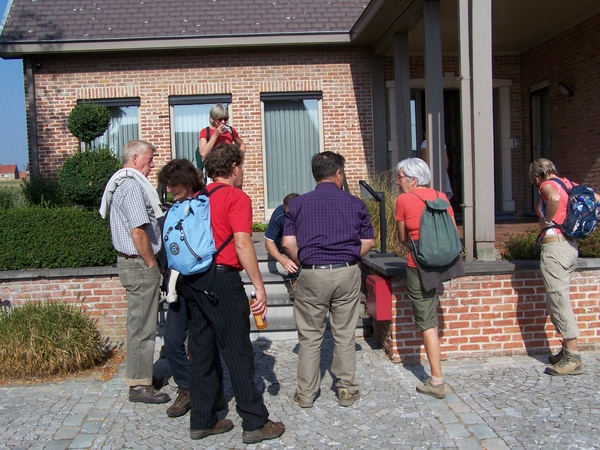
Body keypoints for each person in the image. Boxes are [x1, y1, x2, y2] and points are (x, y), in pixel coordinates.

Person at [178, 143, 285, 443]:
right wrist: (259, 285)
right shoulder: (236, 197)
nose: (243, 172)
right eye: (242, 167)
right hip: (223, 281)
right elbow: (242, 243)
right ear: (234, 166)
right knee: (237, 352)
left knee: (201, 352)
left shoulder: (198, 197)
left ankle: (203, 419)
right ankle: (254, 422)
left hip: (194, 281)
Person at [282, 151, 375, 408]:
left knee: (310, 336)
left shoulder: (299, 204)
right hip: (346, 272)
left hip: (313, 273)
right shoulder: (355, 204)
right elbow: (368, 242)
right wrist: (351, 257)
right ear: (338, 174)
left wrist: (304, 261)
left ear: (315, 175)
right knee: (344, 334)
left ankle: (306, 395)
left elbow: (288, 242)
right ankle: (346, 389)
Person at [99, 140, 170, 404]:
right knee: (142, 327)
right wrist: (152, 263)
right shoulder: (130, 186)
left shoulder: (128, 183)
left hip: (137, 263)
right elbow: (138, 231)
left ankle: (144, 375)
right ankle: (139, 385)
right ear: (136, 158)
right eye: (150, 160)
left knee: (143, 324)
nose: (152, 165)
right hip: (140, 264)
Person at [156, 159, 227, 418]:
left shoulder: (206, 204)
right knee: (173, 339)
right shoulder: (172, 210)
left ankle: (215, 392)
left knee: (205, 342)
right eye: (168, 186)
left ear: (188, 182)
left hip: (204, 280)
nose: (171, 190)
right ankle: (187, 388)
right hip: (177, 282)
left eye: (175, 185)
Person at [394, 157, 459, 399]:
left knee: (427, 322)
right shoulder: (441, 197)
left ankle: (436, 380)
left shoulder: (404, 200)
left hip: (418, 265)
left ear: (413, 179)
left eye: (400, 177)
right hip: (443, 264)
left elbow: (402, 238)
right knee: (431, 315)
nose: (398, 182)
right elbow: (452, 229)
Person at [530, 158, 600, 376]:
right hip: (570, 246)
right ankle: (565, 349)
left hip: (556, 247)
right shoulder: (568, 183)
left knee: (559, 301)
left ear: (536, 176)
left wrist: (547, 221)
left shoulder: (547, 185)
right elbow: (597, 199)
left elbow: (554, 197)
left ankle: (572, 356)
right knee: (558, 300)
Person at [264, 193, 301, 300]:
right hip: (282, 242)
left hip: (300, 239)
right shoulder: (278, 215)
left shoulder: (308, 210)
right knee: (289, 245)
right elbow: (268, 242)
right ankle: (293, 280)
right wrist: (283, 260)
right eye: (287, 213)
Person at [420, 134, 453, 199]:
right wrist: (443, 172)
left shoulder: (425, 142)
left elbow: (424, 160)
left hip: (430, 170)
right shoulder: (442, 143)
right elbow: (446, 160)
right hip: (441, 170)